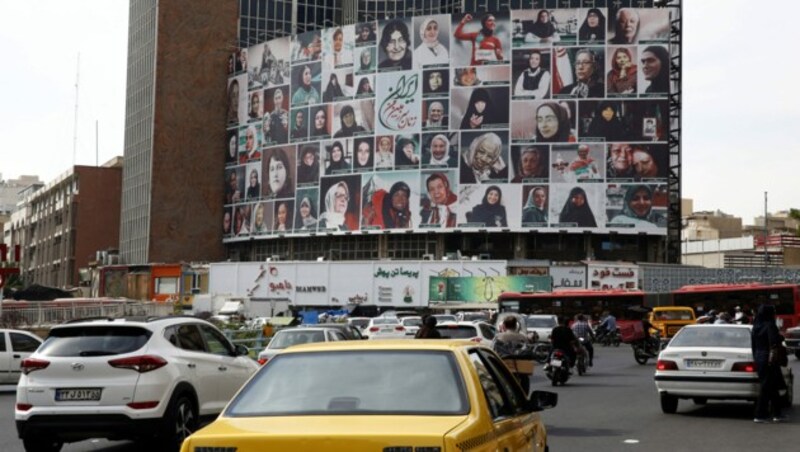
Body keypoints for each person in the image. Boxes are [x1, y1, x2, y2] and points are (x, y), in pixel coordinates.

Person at [752, 304, 787, 423]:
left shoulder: (756, 326)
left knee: (772, 386)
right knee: (767, 387)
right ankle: (760, 414)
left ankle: (777, 413)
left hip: (759, 357)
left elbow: (754, 345)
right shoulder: (770, 325)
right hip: (770, 358)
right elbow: (773, 343)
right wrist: (780, 338)